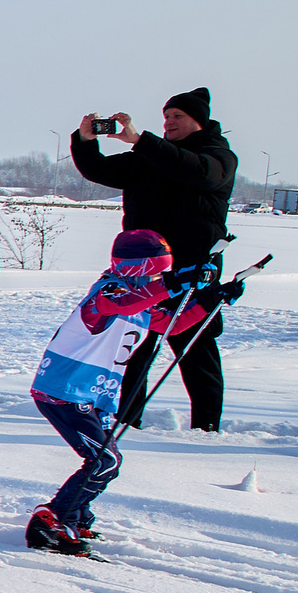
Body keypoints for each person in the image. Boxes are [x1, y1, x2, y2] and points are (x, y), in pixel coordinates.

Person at [25, 231, 246, 555]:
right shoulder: (109, 292)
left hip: (91, 395)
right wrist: (176, 282)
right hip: (64, 392)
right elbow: (126, 302)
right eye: (154, 272)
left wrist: (213, 299)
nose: (157, 278)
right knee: (104, 460)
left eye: (161, 273)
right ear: (135, 269)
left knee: (106, 461)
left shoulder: (139, 304)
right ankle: (54, 519)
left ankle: (77, 515)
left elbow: (175, 324)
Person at [71, 88, 237, 431]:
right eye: (166, 117)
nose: (169, 122)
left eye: (177, 117)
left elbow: (200, 173)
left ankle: (206, 429)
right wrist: (85, 141)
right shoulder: (150, 155)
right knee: (135, 345)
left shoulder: (217, 155)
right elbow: (100, 170)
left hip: (193, 269)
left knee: (195, 347)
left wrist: (140, 140)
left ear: (198, 122)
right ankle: (127, 419)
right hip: (144, 270)